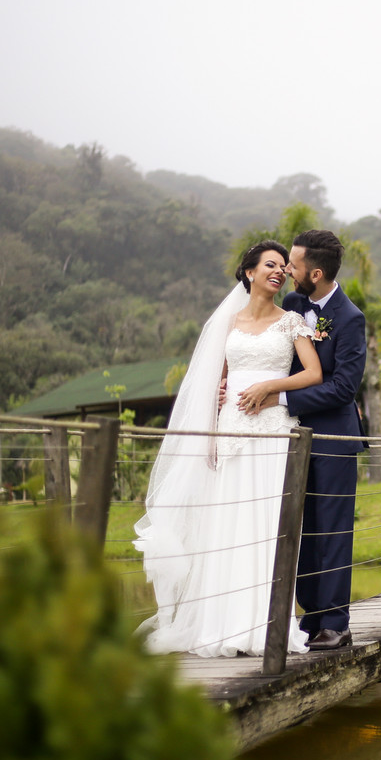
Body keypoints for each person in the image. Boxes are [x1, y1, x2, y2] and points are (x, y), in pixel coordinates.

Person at [133, 241, 322, 658]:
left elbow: (313, 373)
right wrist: (216, 422)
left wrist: (270, 386)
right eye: (269, 265)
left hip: (272, 433)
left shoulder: (292, 322)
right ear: (249, 273)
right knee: (228, 524)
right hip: (231, 433)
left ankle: (266, 626)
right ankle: (220, 626)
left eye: (282, 266)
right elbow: (214, 382)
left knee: (267, 525)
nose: (278, 271)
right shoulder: (228, 324)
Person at [243, 229, 367, 651]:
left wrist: (279, 396)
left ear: (315, 273)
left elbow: (343, 389)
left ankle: (335, 623)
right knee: (300, 529)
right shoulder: (293, 305)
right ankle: (308, 619)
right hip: (289, 438)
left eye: (293, 264)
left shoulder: (350, 318)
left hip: (333, 439)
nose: (287, 270)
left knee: (332, 530)